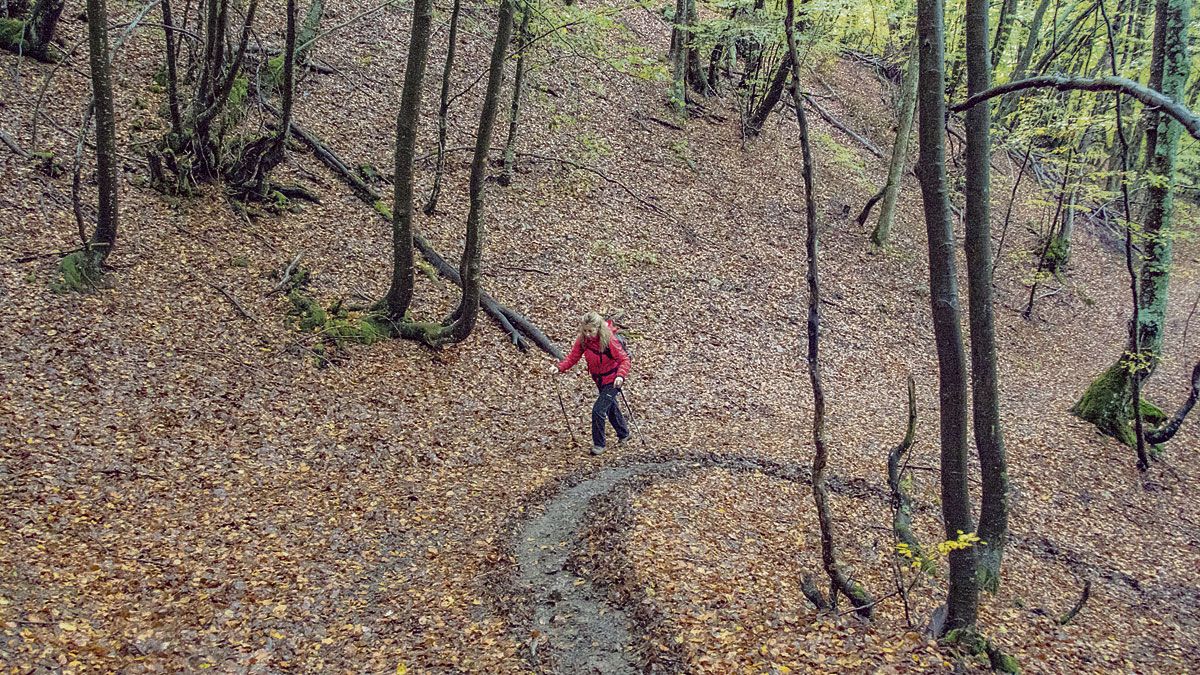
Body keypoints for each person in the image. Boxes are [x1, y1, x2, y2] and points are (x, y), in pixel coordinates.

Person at [550, 311, 631, 455]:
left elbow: (624, 360)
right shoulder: (582, 340)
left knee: (598, 410)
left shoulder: (609, 340)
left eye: (590, 331)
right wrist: (559, 368)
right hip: (599, 379)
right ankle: (624, 434)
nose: (587, 334)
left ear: (598, 328)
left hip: (613, 379)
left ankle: (599, 444)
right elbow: (572, 358)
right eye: (585, 330)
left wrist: (620, 376)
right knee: (610, 406)